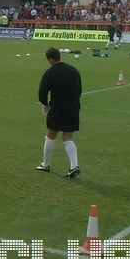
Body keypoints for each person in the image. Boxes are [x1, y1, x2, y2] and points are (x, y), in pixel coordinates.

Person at [36, 47, 82, 178]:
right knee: (68, 137)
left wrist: (45, 105)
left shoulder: (50, 72)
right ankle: (74, 166)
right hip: (73, 107)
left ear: (50, 59)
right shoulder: (74, 70)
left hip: (57, 108)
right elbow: (79, 89)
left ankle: (46, 164)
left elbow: (42, 92)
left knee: (50, 135)